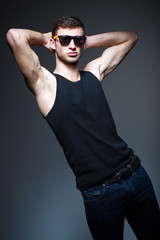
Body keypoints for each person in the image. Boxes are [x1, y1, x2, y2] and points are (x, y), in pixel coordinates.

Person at [6, 16, 160, 240]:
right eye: (65, 39)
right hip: (101, 193)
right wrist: (45, 38)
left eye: (77, 40)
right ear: (54, 43)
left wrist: (86, 41)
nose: (72, 45)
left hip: (136, 176)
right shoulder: (46, 85)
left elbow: (131, 37)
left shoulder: (94, 72)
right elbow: (15, 36)